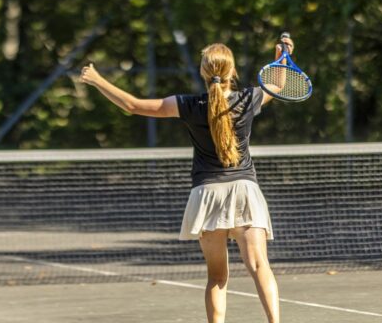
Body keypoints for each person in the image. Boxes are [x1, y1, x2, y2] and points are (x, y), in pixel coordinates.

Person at [79, 36, 293, 323]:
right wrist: (282, 55)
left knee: (217, 277)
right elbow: (277, 85)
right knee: (259, 266)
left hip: (206, 196)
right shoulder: (248, 98)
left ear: (205, 73)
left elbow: (133, 105)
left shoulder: (188, 105)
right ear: (232, 73)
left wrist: (96, 79)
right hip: (245, 192)